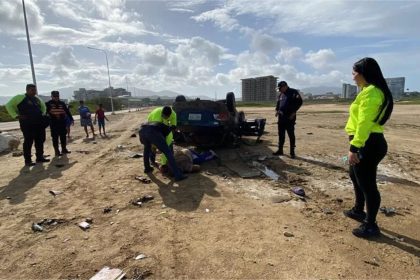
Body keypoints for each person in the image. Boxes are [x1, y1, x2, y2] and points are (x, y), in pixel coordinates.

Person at [343, 57, 393, 238]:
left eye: (355, 73)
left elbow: (364, 123)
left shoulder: (372, 92)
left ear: (364, 74)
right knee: (354, 175)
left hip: (368, 143)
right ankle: (358, 210)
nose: (353, 77)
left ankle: (371, 225)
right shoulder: (366, 90)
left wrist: (354, 147)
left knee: (368, 184)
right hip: (365, 141)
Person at [5, 84, 50, 166]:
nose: (34, 92)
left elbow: (43, 107)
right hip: (27, 124)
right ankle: (28, 160)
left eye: (35, 90)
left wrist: (43, 115)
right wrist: (16, 115)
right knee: (28, 141)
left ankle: (39, 157)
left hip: (39, 124)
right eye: (32, 90)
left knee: (40, 140)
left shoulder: (36, 99)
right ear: (27, 90)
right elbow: (8, 105)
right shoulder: (20, 97)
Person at [273, 81, 302, 158]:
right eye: (278, 89)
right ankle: (280, 150)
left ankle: (292, 152)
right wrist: (276, 111)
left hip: (289, 118)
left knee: (291, 135)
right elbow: (278, 105)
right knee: (281, 135)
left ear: (284, 86)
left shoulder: (293, 92)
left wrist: (293, 112)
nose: (279, 90)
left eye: (280, 88)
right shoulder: (280, 95)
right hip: (281, 118)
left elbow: (299, 102)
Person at [46, 91, 74, 156]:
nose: (56, 97)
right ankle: (57, 151)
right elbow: (45, 113)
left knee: (63, 136)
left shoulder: (62, 103)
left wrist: (71, 119)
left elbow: (67, 111)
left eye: (57, 96)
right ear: (52, 96)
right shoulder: (48, 104)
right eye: (54, 96)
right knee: (55, 137)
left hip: (62, 122)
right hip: (53, 123)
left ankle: (64, 149)